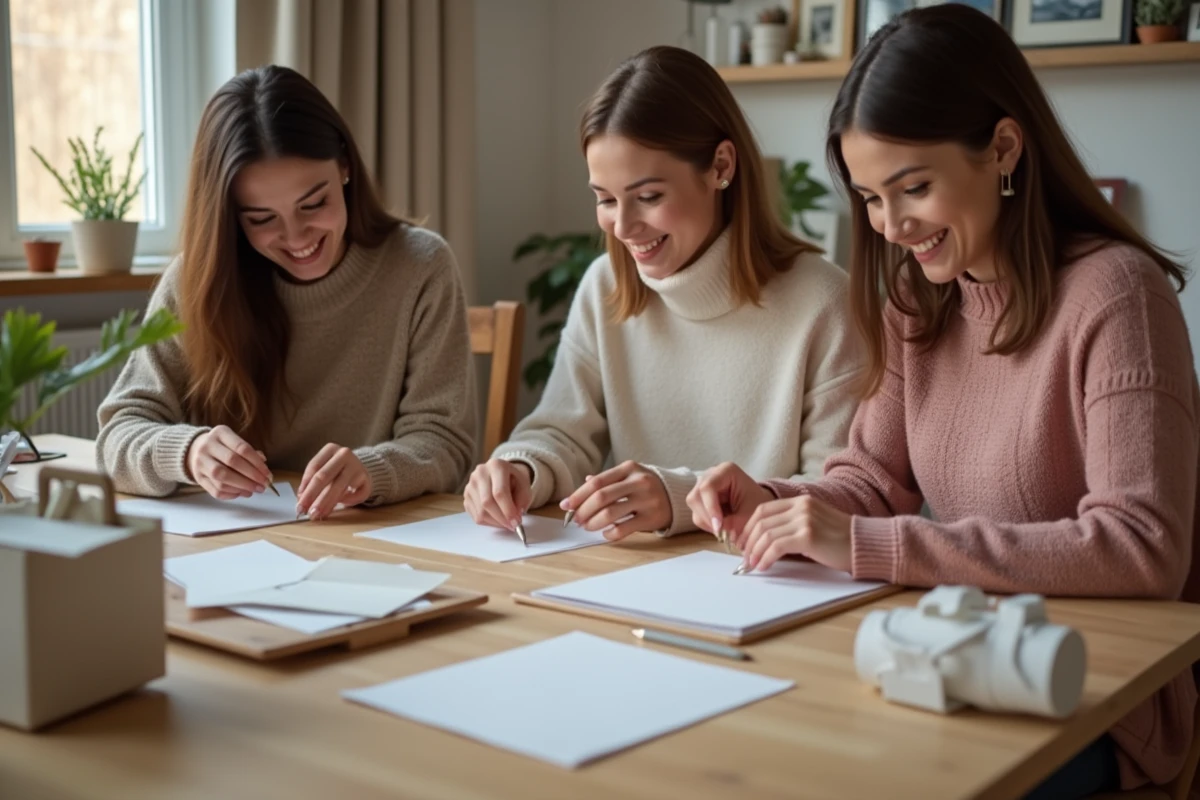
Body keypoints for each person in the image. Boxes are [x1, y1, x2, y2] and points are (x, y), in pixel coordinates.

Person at [687, 6, 1198, 797]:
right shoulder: (919, 303)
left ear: (1003, 149)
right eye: (870, 197)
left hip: (1092, 696)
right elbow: (869, 481)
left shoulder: (1116, 296)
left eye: (914, 187)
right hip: (950, 660)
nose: (892, 225)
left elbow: (1141, 550)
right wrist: (776, 502)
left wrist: (875, 544)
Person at [463, 45, 864, 540]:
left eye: (648, 196)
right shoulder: (605, 286)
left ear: (721, 166)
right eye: (605, 199)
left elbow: (840, 495)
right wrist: (521, 469)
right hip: (630, 573)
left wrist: (681, 499)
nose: (623, 227)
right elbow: (562, 432)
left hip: (766, 576)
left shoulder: (825, 302)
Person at [97, 65, 476, 520]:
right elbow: (116, 436)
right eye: (261, 218)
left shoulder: (420, 266)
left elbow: (445, 443)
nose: (296, 237)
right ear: (230, 215)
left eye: (314, 203)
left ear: (345, 166)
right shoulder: (197, 280)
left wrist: (372, 471)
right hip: (239, 534)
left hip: (369, 533)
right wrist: (188, 451)